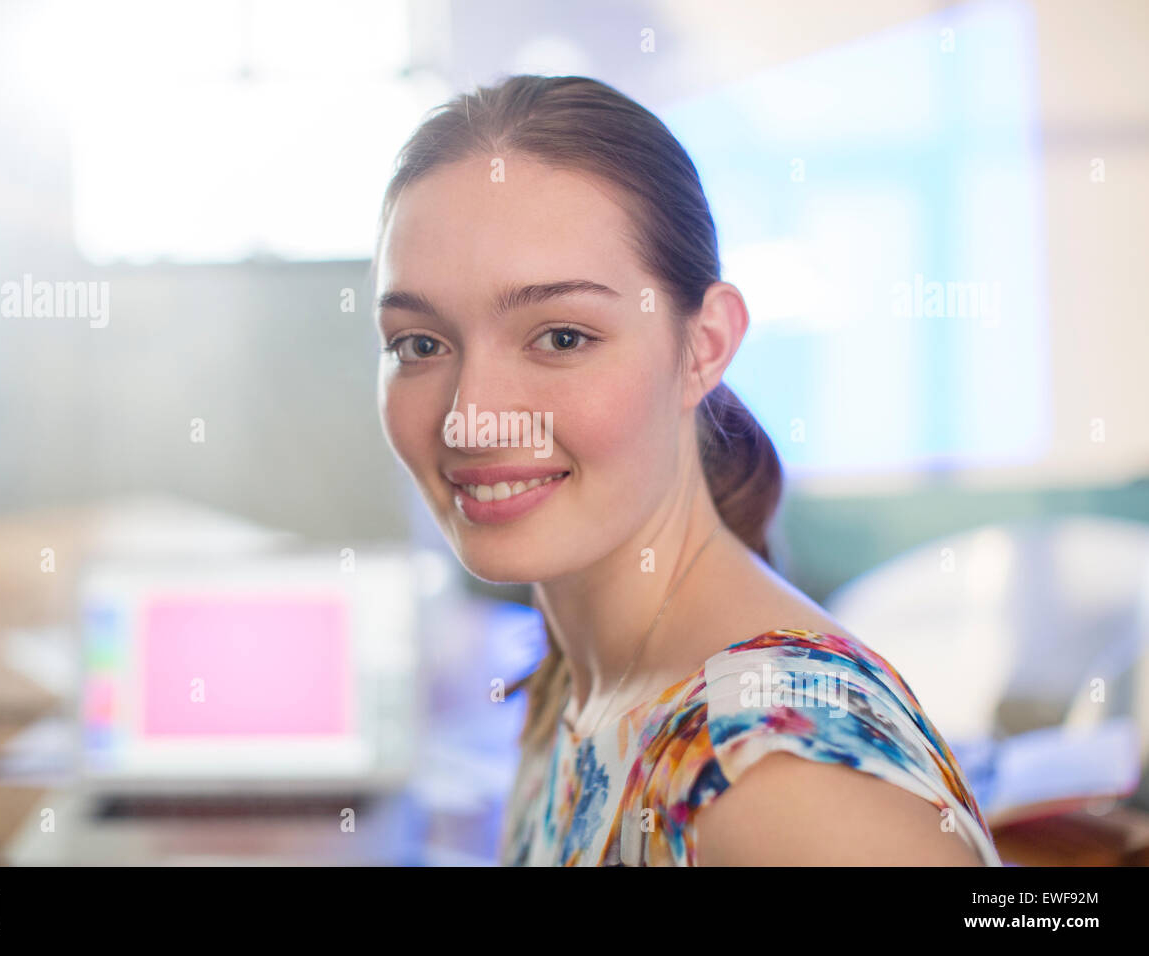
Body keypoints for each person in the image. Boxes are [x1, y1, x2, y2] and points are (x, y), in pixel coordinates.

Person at [371, 73, 1001, 867]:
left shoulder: (785, 793)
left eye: (561, 337)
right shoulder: (577, 680)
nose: (472, 417)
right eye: (419, 345)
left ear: (703, 346)